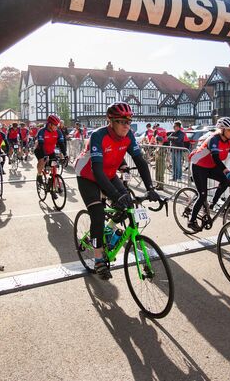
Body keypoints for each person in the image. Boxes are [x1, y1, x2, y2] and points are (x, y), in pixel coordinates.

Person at [75, 102, 160, 280]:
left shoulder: (129, 135)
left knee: (127, 205)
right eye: (122, 122)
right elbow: (97, 171)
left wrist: (150, 188)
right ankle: (98, 258)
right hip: (88, 175)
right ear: (111, 121)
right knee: (97, 215)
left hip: (109, 173)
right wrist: (115, 195)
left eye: (128, 122)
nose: (126, 126)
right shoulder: (99, 135)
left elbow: (141, 162)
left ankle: (108, 230)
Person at [186, 117, 230, 231]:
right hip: (199, 166)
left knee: (227, 181)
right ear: (222, 130)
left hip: (211, 166)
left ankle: (212, 204)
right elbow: (216, 158)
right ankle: (192, 221)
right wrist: (227, 171)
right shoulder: (214, 139)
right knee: (202, 195)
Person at [35, 114, 66, 186]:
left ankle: (53, 186)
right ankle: (39, 175)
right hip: (40, 150)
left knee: (54, 166)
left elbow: (61, 144)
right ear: (49, 124)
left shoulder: (58, 132)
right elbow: (41, 144)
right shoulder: (42, 131)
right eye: (55, 125)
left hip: (51, 151)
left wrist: (65, 154)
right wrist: (45, 155)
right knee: (42, 160)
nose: (57, 126)